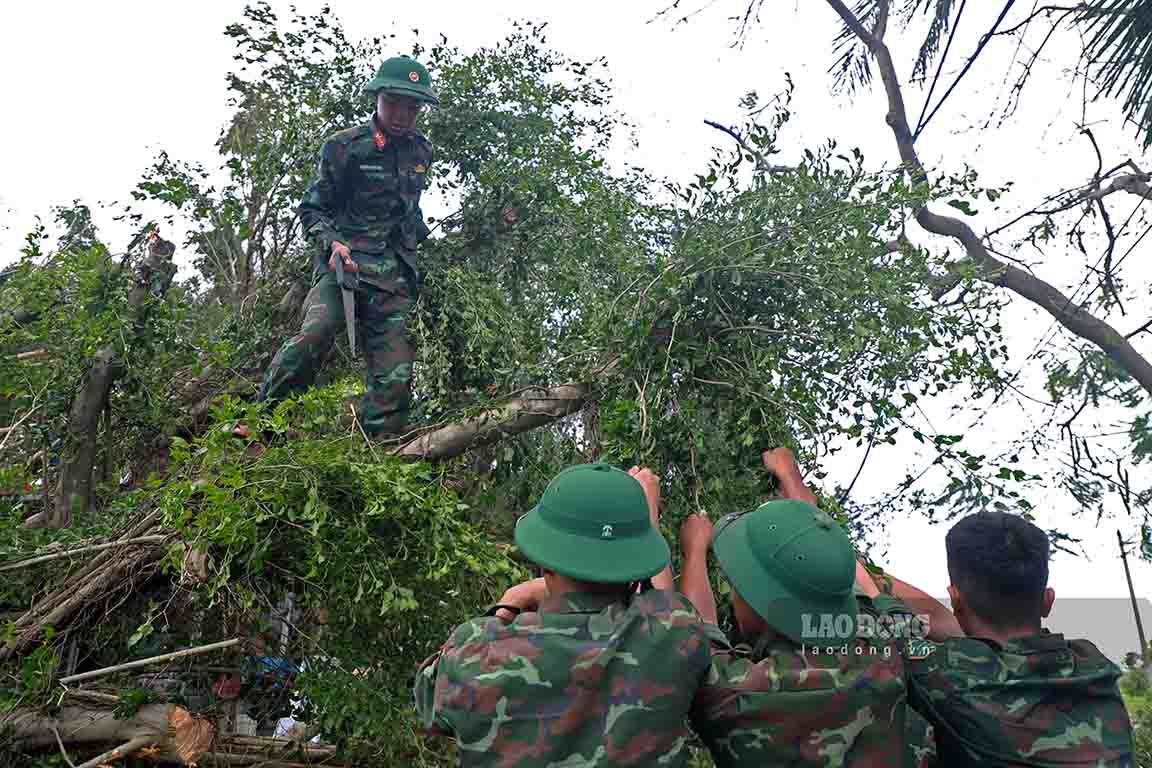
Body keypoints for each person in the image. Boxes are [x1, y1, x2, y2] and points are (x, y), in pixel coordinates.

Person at [413, 464, 720, 767]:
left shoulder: (474, 651)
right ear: (636, 566)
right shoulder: (673, 632)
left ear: (543, 563)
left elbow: (429, 706)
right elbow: (664, 605)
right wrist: (646, 517)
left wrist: (508, 605)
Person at [681, 447, 938, 767]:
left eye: (739, 587)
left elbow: (696, 624)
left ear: (766, 610)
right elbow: (831, 564)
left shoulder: (737, 696)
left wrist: (694, 552)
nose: (733, 597)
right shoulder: (883, 645)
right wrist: (790, 476)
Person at [238, 55, 438, 442]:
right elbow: (313, 209)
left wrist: (426, 244)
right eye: (394, 102)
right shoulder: (345, 147)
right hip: (343, 268)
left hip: (391, 278)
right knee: (316, 333)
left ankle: (378, 454)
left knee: (397, 373)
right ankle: (260, 423)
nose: (402, 113)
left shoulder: (420, 151)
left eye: (412, 106)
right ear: (377, 98)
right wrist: (333, 245)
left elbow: (408, 210)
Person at [866, 511, 1136, 767]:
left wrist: (829, 532)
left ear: (956, 599)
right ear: (1047, 601)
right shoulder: (1092, 664)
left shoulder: (946, 678)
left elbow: (880, 599)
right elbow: (947, 625)